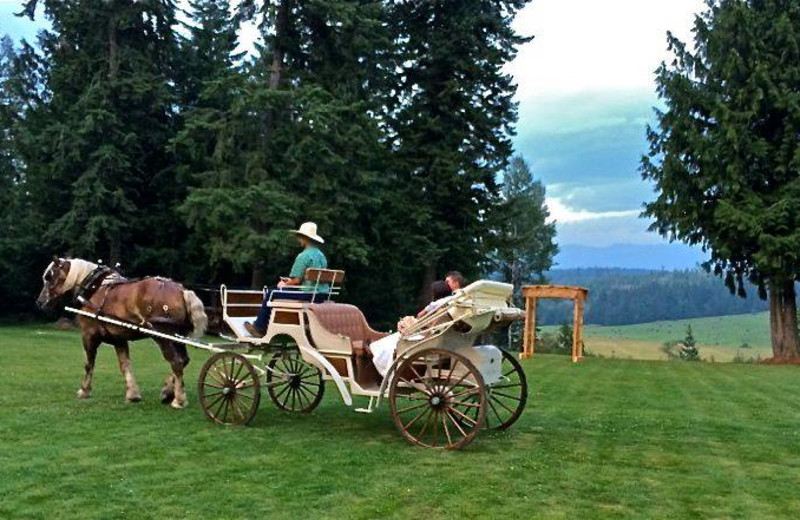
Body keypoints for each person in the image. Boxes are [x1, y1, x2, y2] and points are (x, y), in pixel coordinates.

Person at [244, 222, 328, 337]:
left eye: (300, 236)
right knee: (275, 291)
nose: (299, 239)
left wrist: (284, 283)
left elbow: (296, 281)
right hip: (322, 294)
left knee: (271, 292)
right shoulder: (321, 256)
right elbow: (312, 278)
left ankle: (259, 327)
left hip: (308, 294)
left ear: (305, 238)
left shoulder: (303, 256)